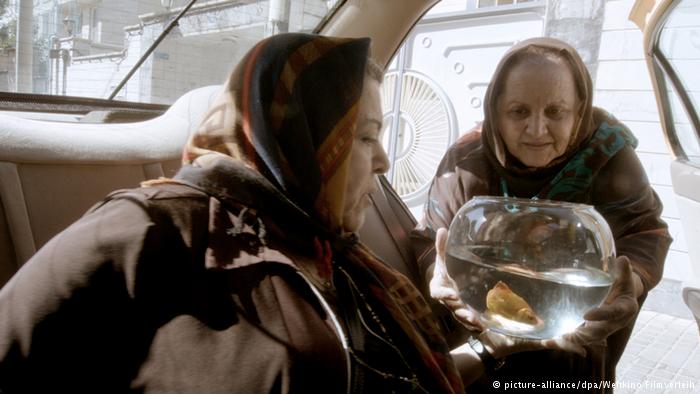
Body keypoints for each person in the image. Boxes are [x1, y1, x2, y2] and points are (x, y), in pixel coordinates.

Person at [0, 33, 587, 393]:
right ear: (304, 144)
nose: (385, 160)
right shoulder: (149, 227)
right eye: (366, 137)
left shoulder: (330, 251)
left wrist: (490, 351)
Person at [413, 37, 672, 392]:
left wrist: (632, 283)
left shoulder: (608, 157)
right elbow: (430, 236)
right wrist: (438, 272)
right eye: (519, 111)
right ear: (495, 109)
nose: (537, 130)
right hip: (485, 354)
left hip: (573, 359)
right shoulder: (466, 161)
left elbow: (645, 231)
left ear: (579, 110)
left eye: (555, 111)